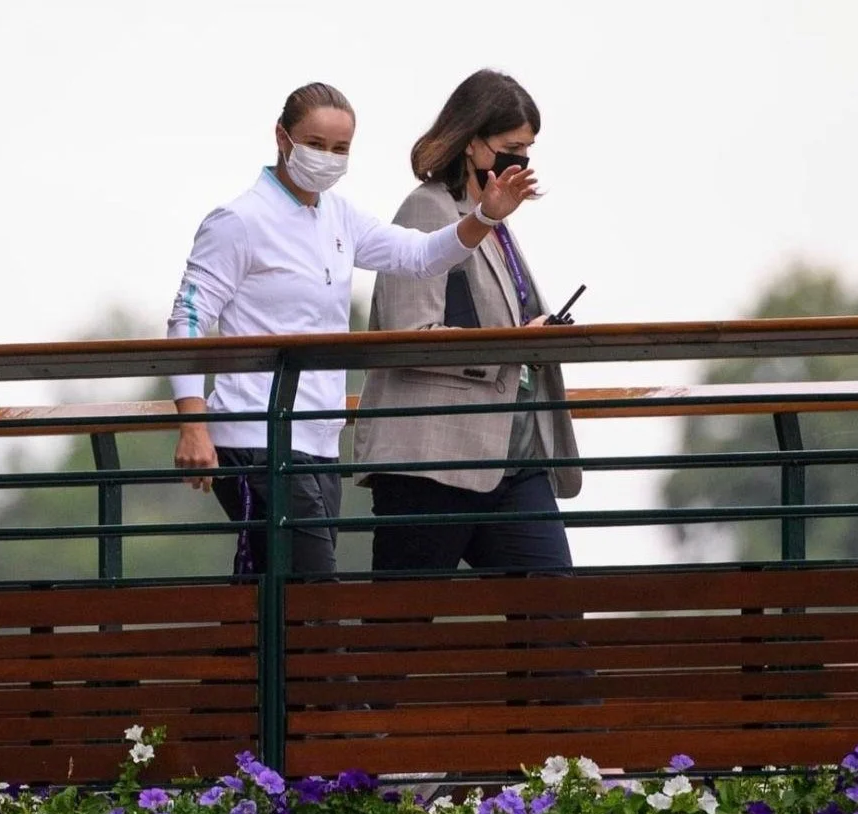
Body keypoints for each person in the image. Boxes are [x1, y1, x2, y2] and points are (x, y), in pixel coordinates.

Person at [166, 81, 538, 580]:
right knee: (312, 598)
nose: (328, 158)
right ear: (282, 137)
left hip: (320, 440)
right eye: (316, 144)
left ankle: (230, 659)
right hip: (258, 435)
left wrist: (485, 215)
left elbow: (421, 255)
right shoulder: (239, 220)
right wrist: (192, 422)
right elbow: (188, 316)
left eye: (340, 149)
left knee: (275, 596)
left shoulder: (339, 214)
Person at [352, 69, 582, 575]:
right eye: (511, 146)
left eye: (529, 148)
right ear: (473, 145)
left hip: (513, 460)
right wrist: (513, 345)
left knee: (557, 616)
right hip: (432, 460)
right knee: (401, 631)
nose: (522, 161)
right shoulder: (427, 208)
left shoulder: (495, 223)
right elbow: (412, 335)